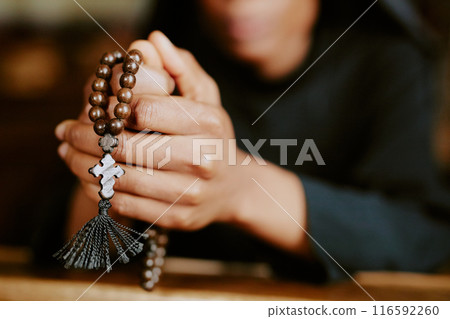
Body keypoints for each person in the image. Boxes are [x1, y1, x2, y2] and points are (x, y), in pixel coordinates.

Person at [53, 0, 450, 282]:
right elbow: (76, 257)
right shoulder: (165, 51)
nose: (238, 4)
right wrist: (107, 154)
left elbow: (421, 238)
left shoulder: (389, 58)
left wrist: (242, 188)